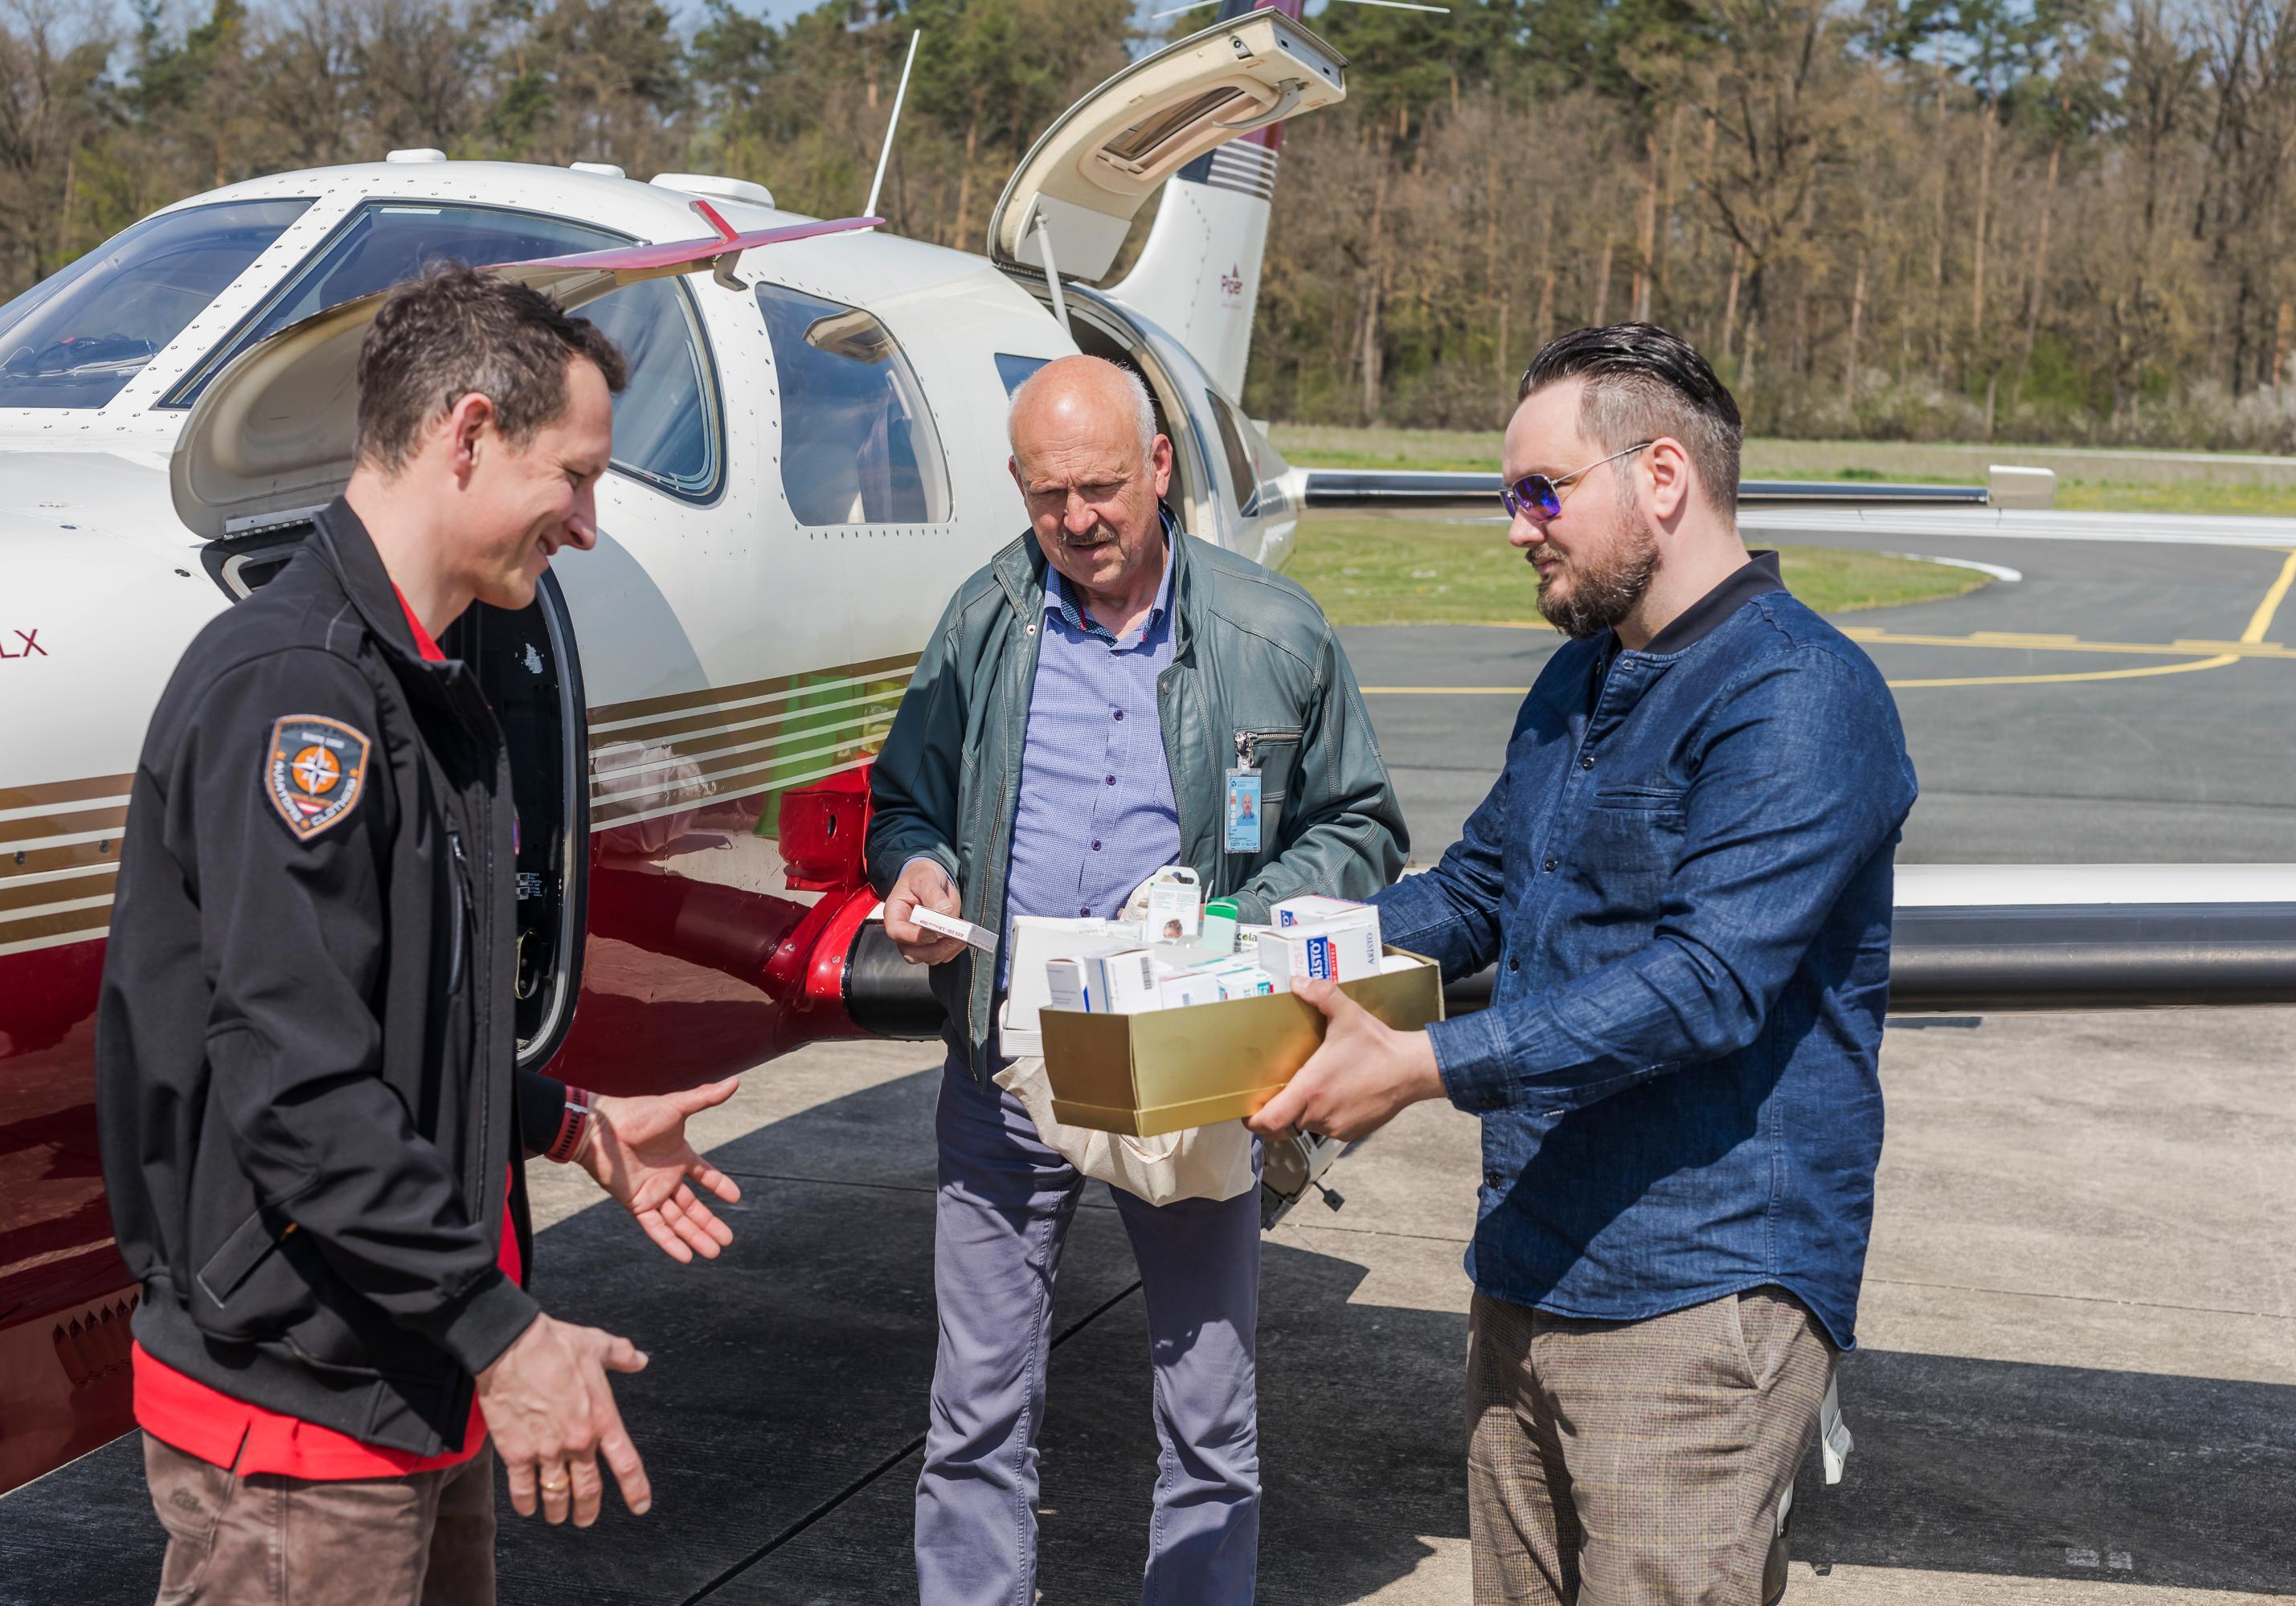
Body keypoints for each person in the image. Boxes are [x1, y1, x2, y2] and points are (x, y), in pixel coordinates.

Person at [96, 266, 746, 1606]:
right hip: (306, 1406)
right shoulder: (304, 696)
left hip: (403, 1368)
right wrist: (504, 1337)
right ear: (466, 433)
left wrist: (570, 1126)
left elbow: (391, 1034)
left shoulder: (419, 682)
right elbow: (299, 1091)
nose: (587, 522)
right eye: (573, 476)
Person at [1249, 324, 1917, 1605]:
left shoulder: (1799, 696)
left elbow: (1707, 981)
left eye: (1538, 492)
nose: (1516, 528)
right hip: (1533, 1268)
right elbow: (1483, 890)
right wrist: (1273, 953)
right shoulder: (1578, 682)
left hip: (1698, 1296)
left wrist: (1421, 1065)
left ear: (1661, 477)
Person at [868, 353, 1406, 1604]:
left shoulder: (1274, 632)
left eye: (1103, 488)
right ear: (1019, 486)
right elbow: (908, 799)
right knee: (974, 1415)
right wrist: (926, 870)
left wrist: (1229, 919)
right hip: (1007, 1067)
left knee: (1209, 1420)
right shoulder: (984, 619)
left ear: (1161, 467)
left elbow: (1365, 825)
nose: (1079, 522)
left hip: (1177, 1064)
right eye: (1049, 497)